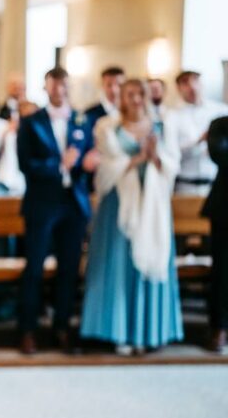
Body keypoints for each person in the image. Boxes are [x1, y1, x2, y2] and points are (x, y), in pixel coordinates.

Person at [80, 78, 182, 355]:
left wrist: (156, 157)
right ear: (121, 98)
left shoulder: (163, 126)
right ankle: (118, 331)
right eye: (129, 94)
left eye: (140, 93)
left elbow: (173, 164)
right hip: (117, 206)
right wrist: (137, 159)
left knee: (148, 262)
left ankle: (146, 332)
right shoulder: (107, 127)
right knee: (116, 265)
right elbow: (105, 169)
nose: (136, 99)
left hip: (152, 207)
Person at [16, 67, 96, 354]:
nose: (60, 91)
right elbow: (26, 165)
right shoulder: (31, 122)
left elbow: (88, 158)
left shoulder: (82, 119)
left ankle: (62, 329)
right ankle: (27, 330)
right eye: (54, 86)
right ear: (46, 87)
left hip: (73, 203)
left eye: (64, 86)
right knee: (35, 269)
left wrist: (87, 164)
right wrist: (59, 164)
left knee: (69, 270)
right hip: (42, 202)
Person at [166, 70, 228, 196]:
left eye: (195, 80)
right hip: (185, 186)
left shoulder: (221, 111)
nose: (192, 86)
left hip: (216, 186)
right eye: (185, 82)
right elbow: (171, 153)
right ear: (178, 88)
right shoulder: (172, 116)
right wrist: (199, 141)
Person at [204, 115, 228, 354]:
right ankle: (219, 327)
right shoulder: (220, 124)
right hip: (224, 209)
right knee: (222, 272)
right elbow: (219, 154)